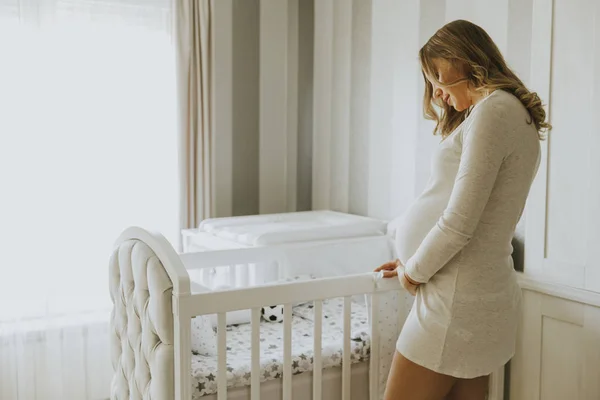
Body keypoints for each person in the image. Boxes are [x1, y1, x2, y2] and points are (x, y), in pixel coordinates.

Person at [374, 20, 550, 400]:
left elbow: (459, 222)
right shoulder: (511, 112)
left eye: (438, 75)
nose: (436, 92)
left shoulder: (493, 110)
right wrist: (411, 261)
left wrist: (413, 274)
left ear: (463, 60)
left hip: (453, 302)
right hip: (473, 293)